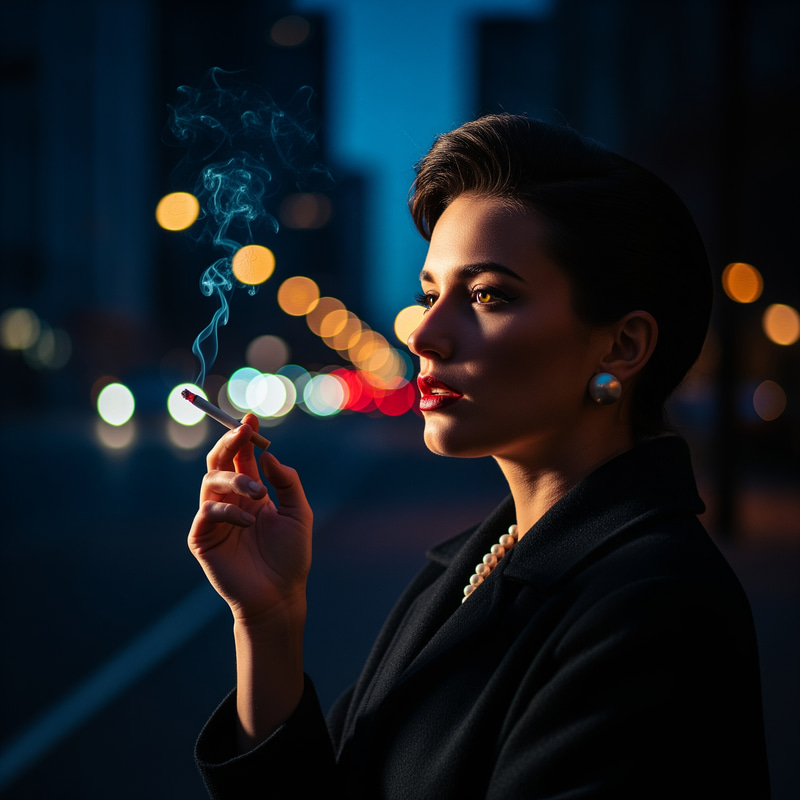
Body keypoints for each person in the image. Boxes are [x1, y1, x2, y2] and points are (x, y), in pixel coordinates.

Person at [188, 115, 770, 798]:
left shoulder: (656, 608)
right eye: (430, 294)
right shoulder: (472, 562)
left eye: (489, 295)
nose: (424, 334)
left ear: (621, 346)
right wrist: (270, 622)